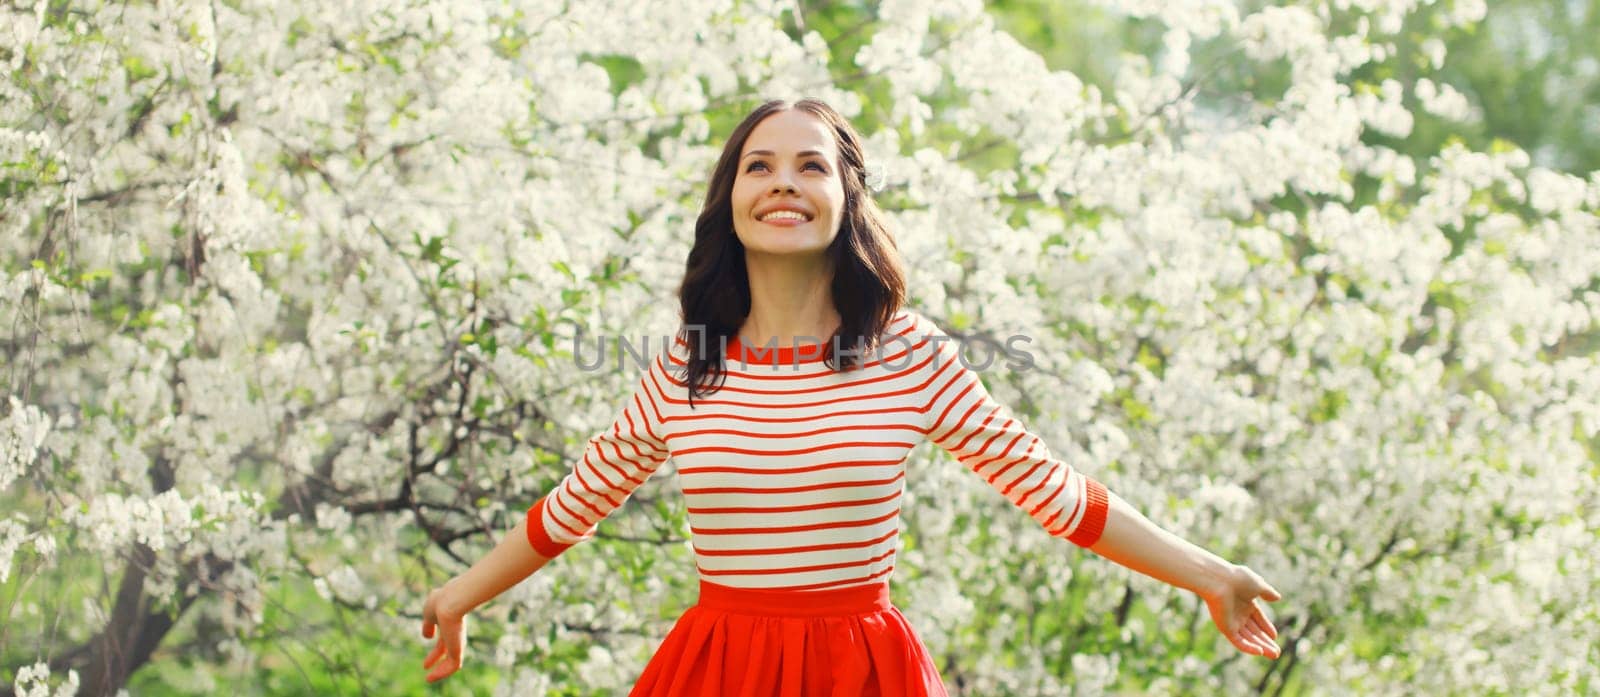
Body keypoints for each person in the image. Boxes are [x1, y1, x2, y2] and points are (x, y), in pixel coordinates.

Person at [419, 98, 1283, 694]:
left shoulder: (908, 355)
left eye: (810, 166)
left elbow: (1057, 494)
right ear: (733, 202)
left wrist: (1211, 575)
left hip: (864, 672)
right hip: (718, 668)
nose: (784, 182)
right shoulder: (691, 363)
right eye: (759, 166)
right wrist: (460, 594)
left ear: (845, 199)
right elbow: (572, 507)